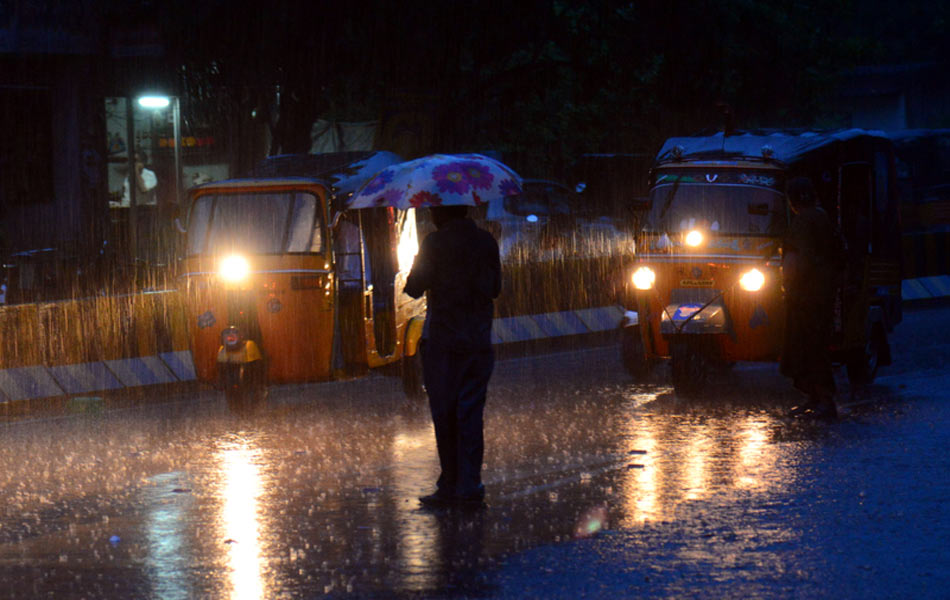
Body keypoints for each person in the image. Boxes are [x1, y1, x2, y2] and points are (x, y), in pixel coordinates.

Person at [405, 205, 501, 508]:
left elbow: (413, 289)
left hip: (443, 343)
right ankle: (470, 484)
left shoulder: (434, 243)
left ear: (440, 213)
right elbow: (494, 288)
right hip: (476, 341)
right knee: (470, 413)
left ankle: (449, 482)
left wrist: (423, 265)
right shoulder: (486, 241)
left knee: (444, 415)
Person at [781, 176, 842, 419]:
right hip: (818, 293)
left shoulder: (805, 221)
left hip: (807, 296)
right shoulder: (821, 216)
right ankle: (814, 398)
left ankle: (823, 400)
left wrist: (791, 284)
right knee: (810, 347)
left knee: (810, 347)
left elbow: (802, 259)